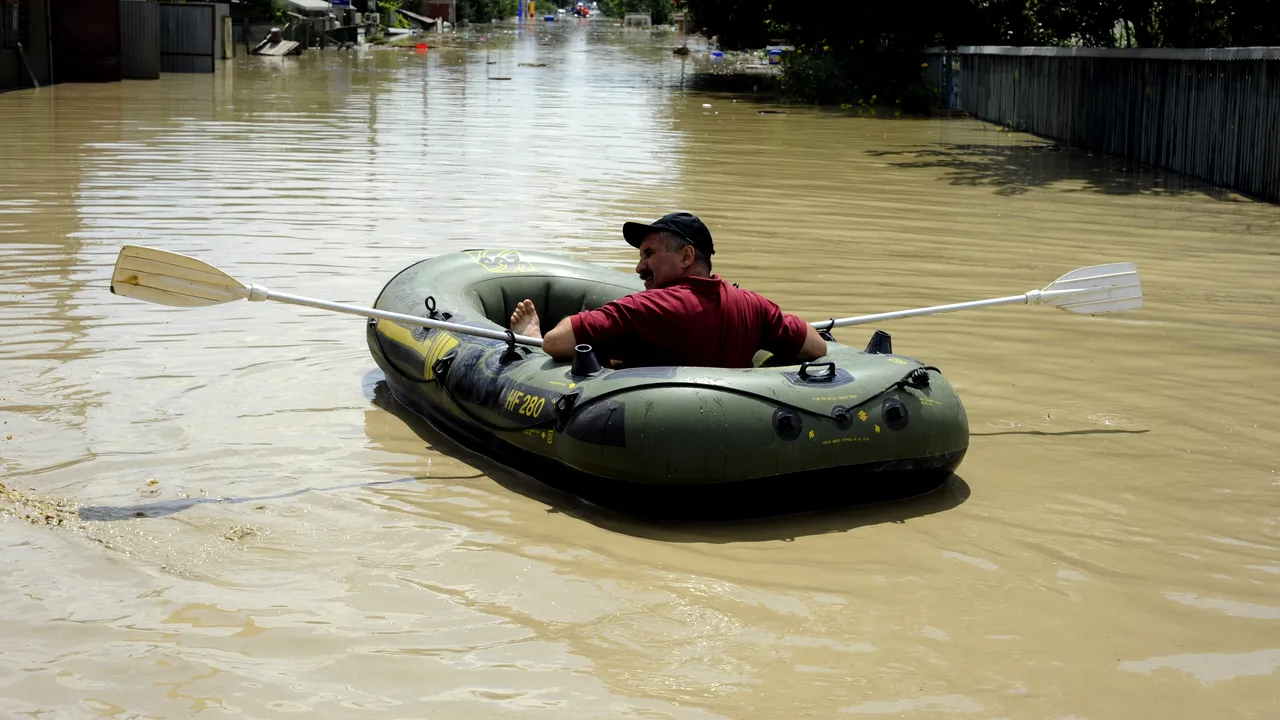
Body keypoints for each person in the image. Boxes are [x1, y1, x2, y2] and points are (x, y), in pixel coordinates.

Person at [508, 212, 827, 368]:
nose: (639, 268)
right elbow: (816, 347)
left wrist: (540, 337)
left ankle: (528, 338)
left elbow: (557, 341)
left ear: (686, 256)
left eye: (650, 254)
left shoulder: (648, 308)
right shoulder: (755, 307)